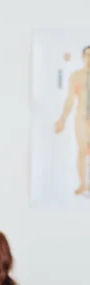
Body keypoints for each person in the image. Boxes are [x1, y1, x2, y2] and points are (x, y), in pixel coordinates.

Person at [55, 45, 90, 195]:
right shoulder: (76, 76)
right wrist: (62, 119)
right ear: (83, 57)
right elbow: (70, 100)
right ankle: (83, 184)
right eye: (88, 54)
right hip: (81, 119)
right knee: (82, 151)